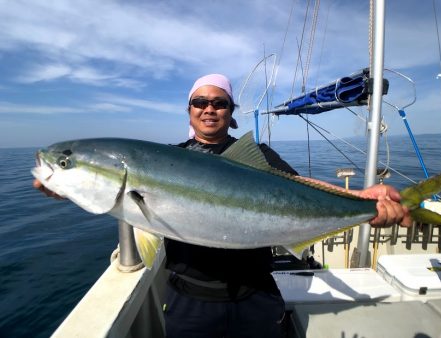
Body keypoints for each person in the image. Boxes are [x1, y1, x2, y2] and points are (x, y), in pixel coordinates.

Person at [33, 73, 411, 338]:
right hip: (190, 301)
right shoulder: (169, 159)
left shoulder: (256, 155)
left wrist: (361, 201)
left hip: (257, 294)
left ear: (230, 112)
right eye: (200, 102)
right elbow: (118, 203)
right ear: (190, 110)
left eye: (219, 103)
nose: (209, 109)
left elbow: (297, 186)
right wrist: (65, 185)